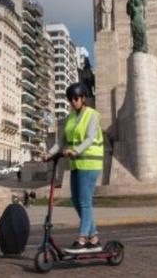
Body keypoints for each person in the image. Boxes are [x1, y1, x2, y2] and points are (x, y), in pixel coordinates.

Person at [46, 82, 104, 251]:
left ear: (83, 98)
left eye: (76, 98)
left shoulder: (93, 115)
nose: (73, 102)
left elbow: (90, 138)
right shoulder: (71, 117)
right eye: (70, 99)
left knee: (85, 202)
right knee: (75, 200)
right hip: (76, 164)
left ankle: (82, 239)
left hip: (90, 162)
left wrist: (75, 151)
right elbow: (62, 141)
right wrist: (49, 154)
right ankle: (94, 238)